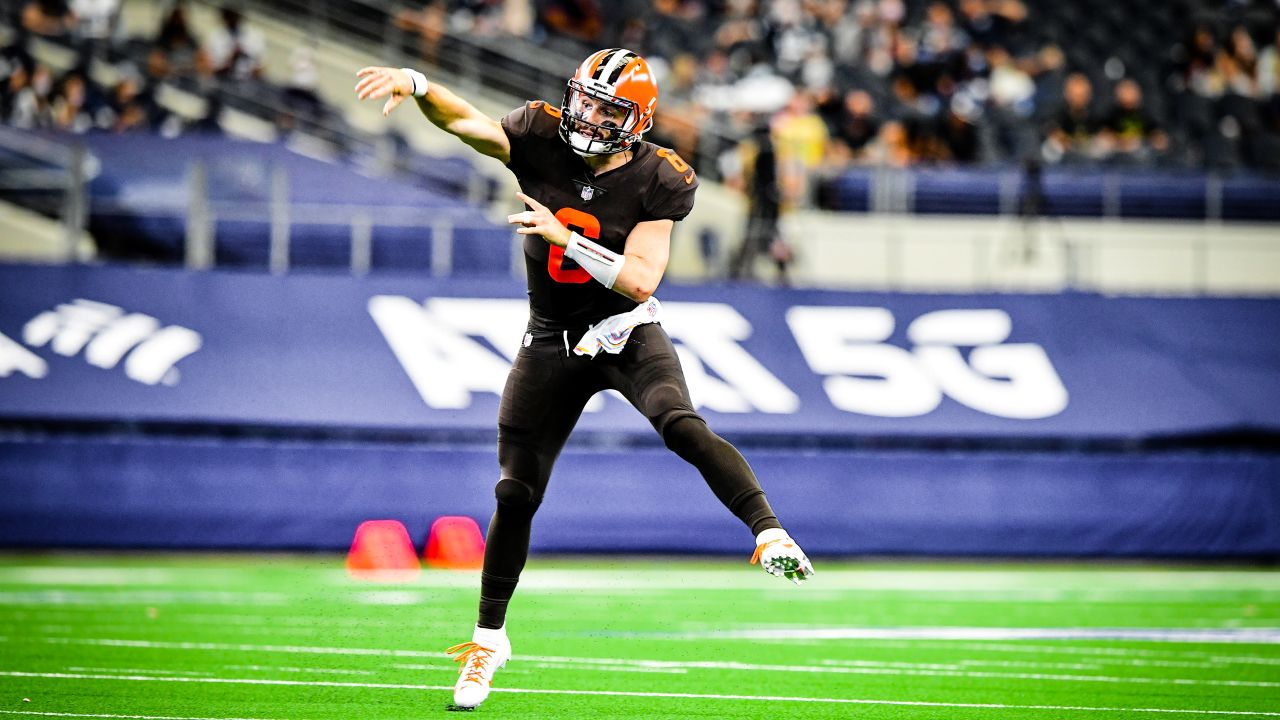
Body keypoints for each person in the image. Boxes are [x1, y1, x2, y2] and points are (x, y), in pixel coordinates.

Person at [354, 48, 814, 710]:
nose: (588, 115)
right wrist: (419, 82)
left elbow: (640, 279)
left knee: (679, 423)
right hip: (551, 340)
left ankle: (768, 531)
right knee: (515, 490)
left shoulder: (664, 177)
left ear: (638, 120)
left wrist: (563, 239)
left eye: (607, 108)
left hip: (625, 332)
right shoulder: (541, 134)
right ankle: (489, 640)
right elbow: (469, 125)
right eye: (585, 100)